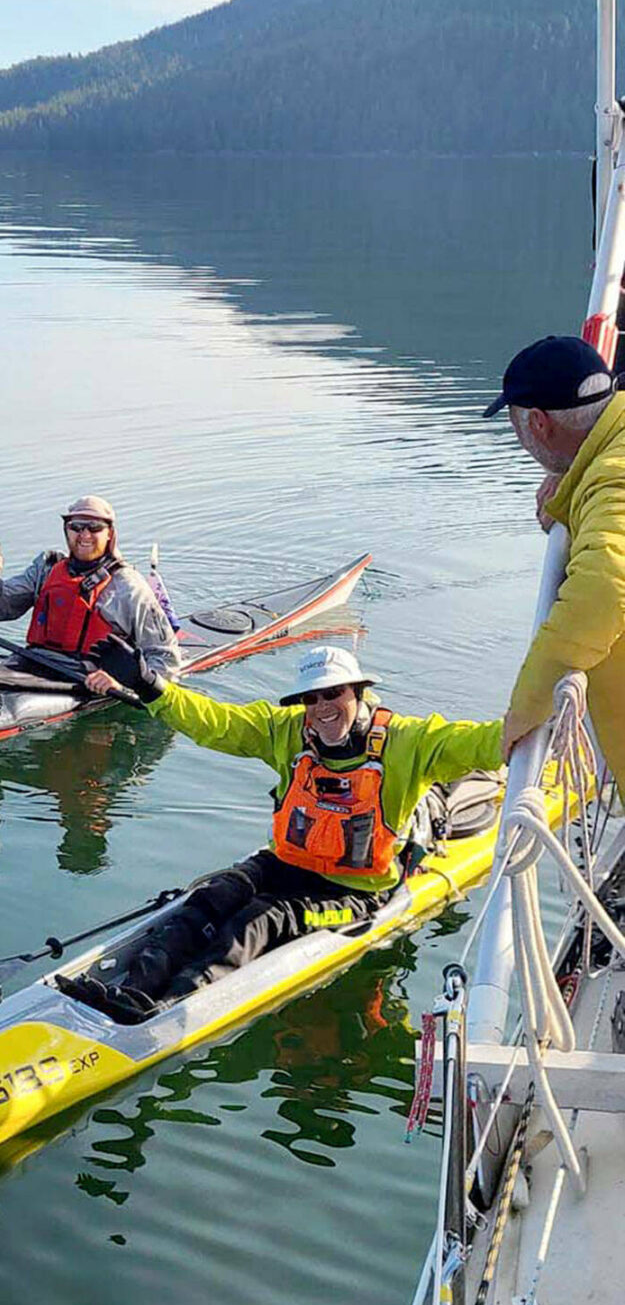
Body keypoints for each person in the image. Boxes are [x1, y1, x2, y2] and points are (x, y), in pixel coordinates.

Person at [69, 644, 503, 1021]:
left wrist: (546, 712)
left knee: (264, 920)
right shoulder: (287, 731)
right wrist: (153, 689)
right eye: (311, 698)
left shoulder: (409, 742)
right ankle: (135, 991)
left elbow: (485, 742)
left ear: (358, 692)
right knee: (210, 899)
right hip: (283, 866)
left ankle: (172, 1008)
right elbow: (216, 722)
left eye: (334, 693)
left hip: (357, 900)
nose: (323, 707)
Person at [485, 334, 625, 788]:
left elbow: (603, 588)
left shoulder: (610, 478)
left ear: (538, 423)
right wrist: (567, 485)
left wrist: (525, 709)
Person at [0, 494, 182, 690]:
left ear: (110, 533)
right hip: (35, 661)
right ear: (66, 530)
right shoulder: (46, 568)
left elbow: (165, 658)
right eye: (76, 527)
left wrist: (123, 684)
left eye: (94, 527)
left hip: (90, 679)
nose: (84, 535)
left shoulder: (128, 586)